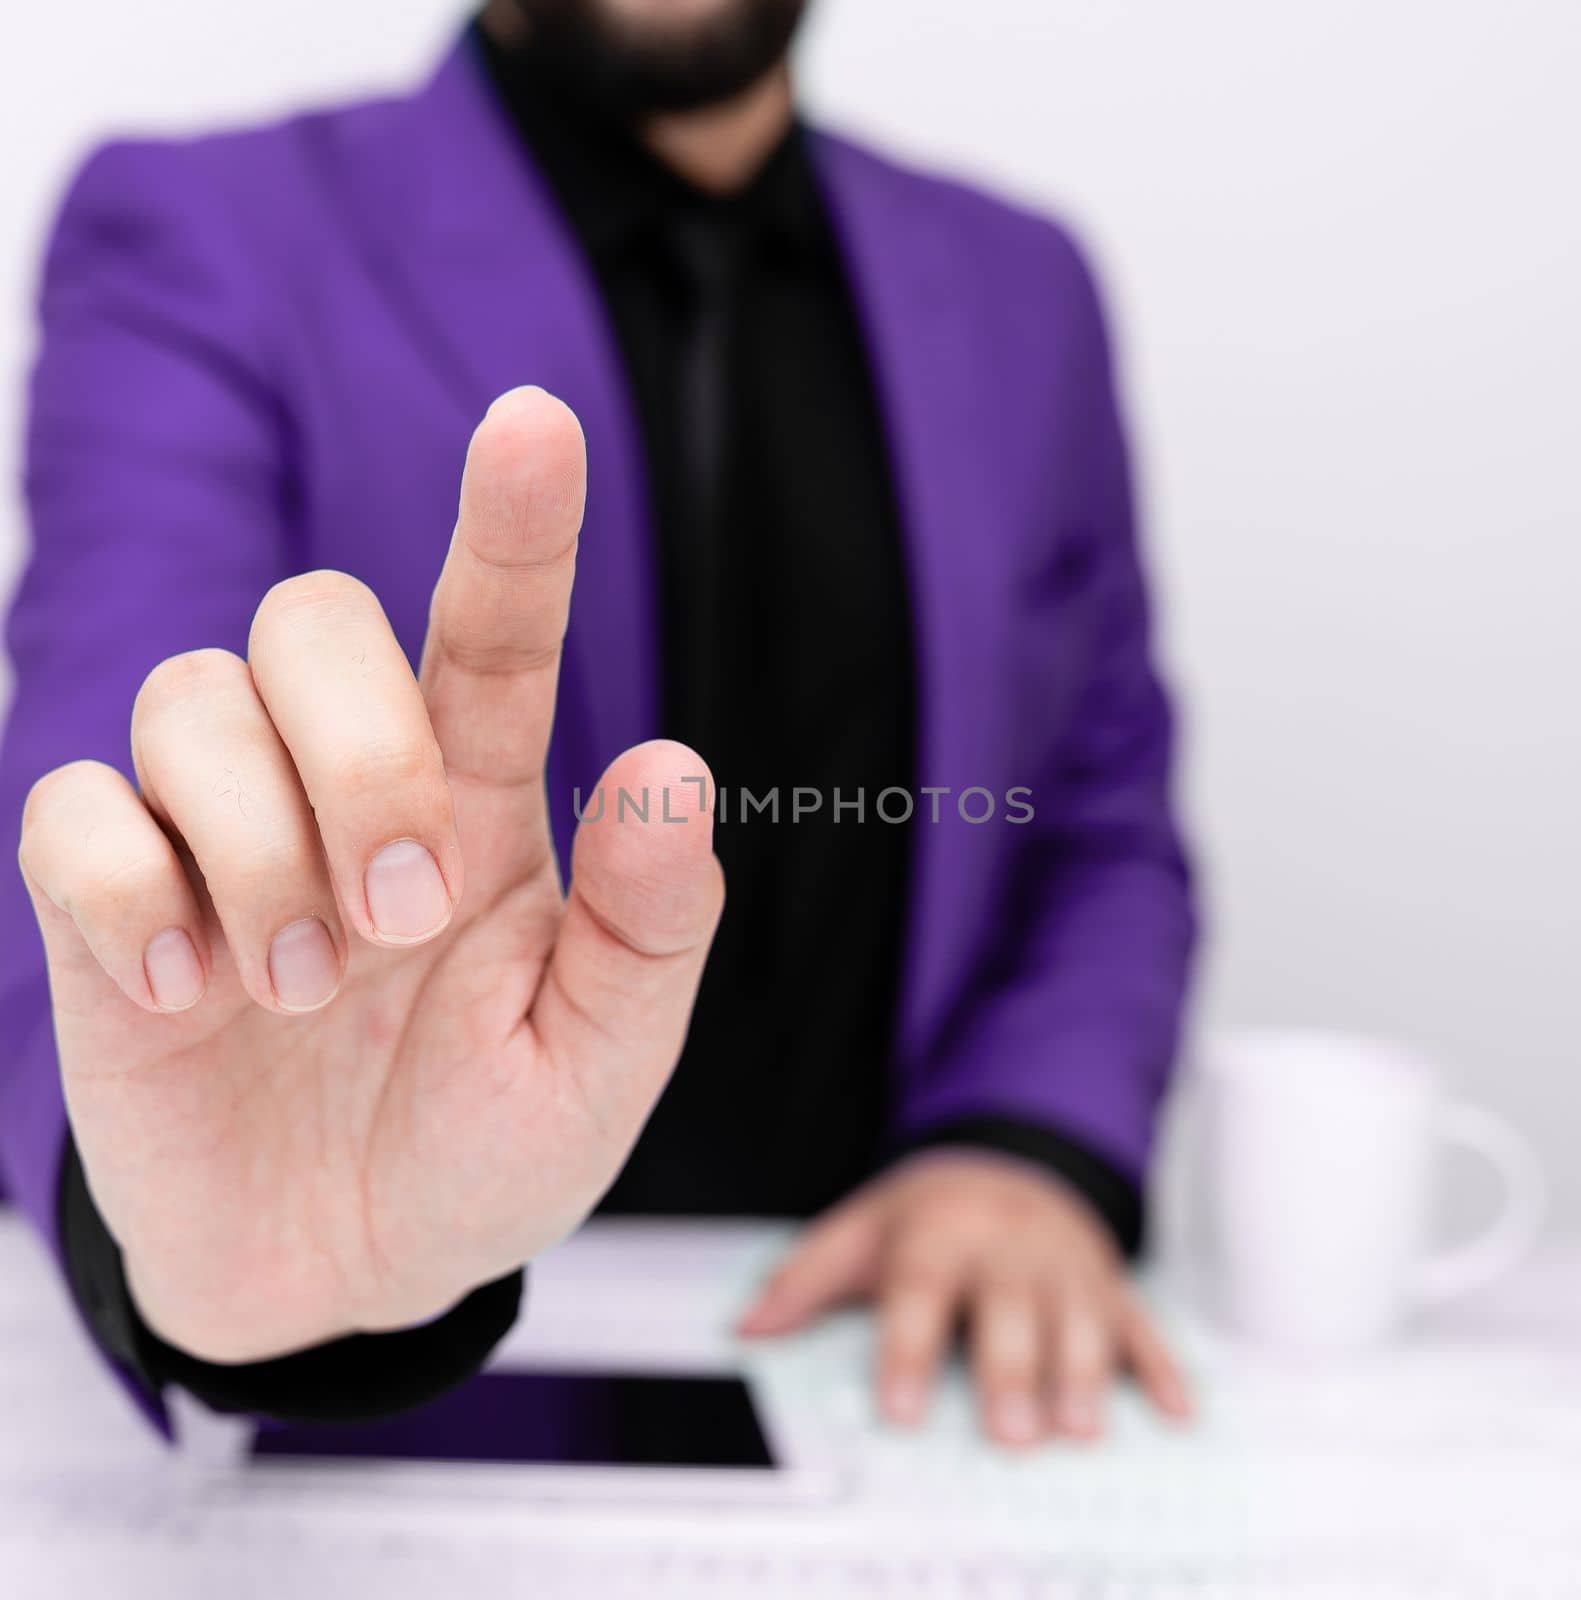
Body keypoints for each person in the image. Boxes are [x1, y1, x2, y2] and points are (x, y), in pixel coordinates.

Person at [0, 0, 1197, 1448]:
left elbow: (1095, 815)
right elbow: (96, 806)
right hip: (410, 1424)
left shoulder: (1026, 289)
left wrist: (1026, 1143)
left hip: (907, 1393)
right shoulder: (207, 232)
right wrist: (171, 1230)